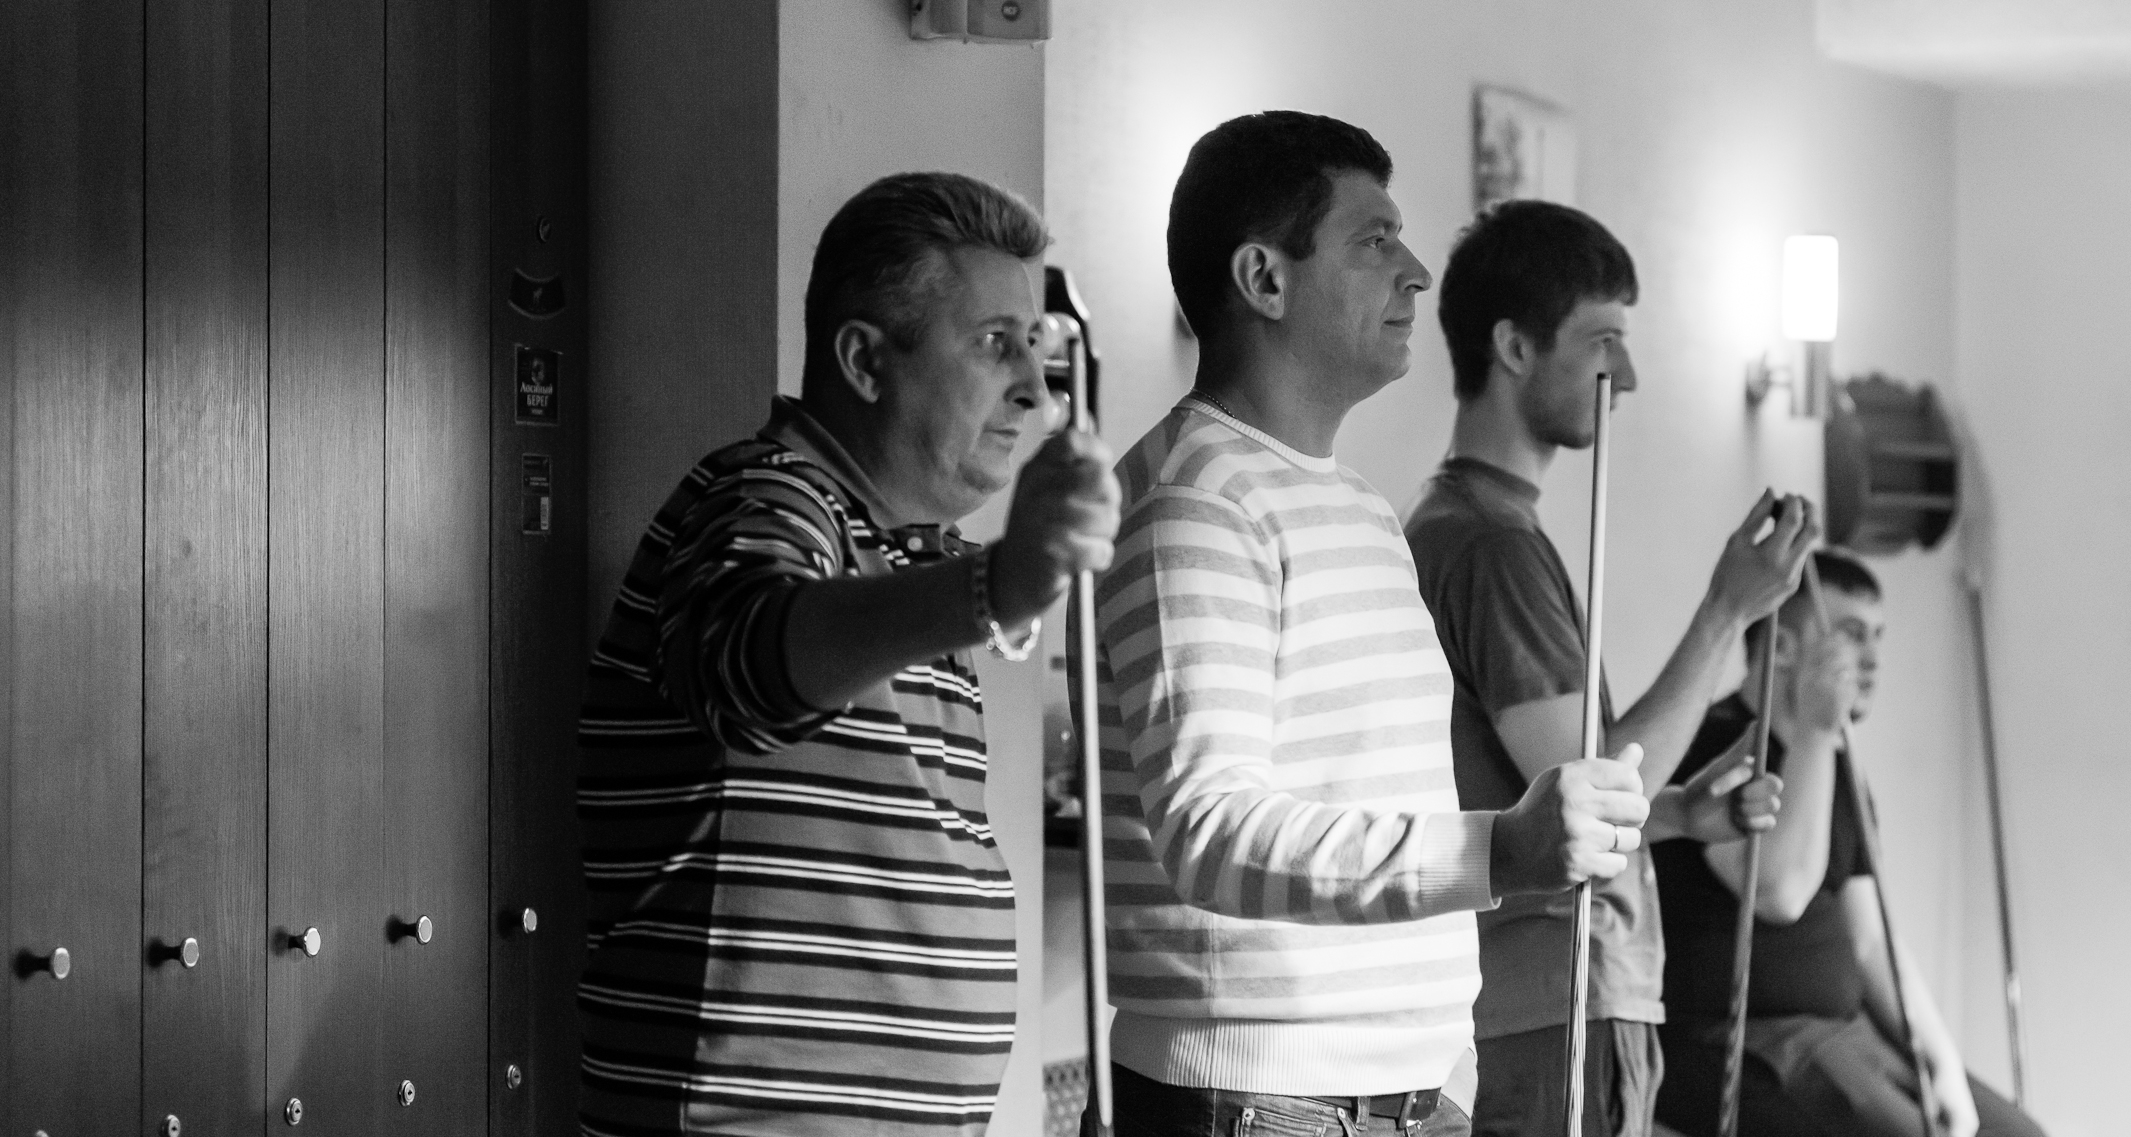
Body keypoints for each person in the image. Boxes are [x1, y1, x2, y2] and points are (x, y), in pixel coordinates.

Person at [1091, 111, 1654, 1136]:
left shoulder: (1355, 505)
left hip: (1396, 1096)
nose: (1416, 272)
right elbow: (1209, 832)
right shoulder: (1194, 501)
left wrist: (1443, 1070)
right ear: (1264, 279)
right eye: (1374, 240)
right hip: (1260, 1099)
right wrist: (1499, 850)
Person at [577, 172, 1121, 1135]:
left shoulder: (914, 555)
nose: (1035, 391)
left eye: (1035, 347)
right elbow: (752, 666)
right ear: (867, 361)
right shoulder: (764, 497)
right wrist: (996, 586)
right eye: (995, 344)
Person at [1406, 198, 1817, 1137]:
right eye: (1603, 342)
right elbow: (1591, 791)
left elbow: (1547, 798)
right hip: (1556, 1004)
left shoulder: (1473, 523)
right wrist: (1726, 612)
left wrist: (1678, 815)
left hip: (1553, 1001)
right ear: (1515, 347)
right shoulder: (1490, 545)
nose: (1624, 376)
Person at [1652, 551, 2045, 1137]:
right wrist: (1816, 730)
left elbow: (1870, 940)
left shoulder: (1837, 769)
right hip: (1745, 1044)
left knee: (2017, 1134)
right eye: (1851, 635)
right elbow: (1780, 892)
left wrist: (1939, 1059)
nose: (1873, 659)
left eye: (1878, 637)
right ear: (1783, 647)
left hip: (1846, 1036)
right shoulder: (1714, 745)